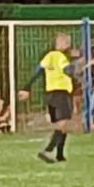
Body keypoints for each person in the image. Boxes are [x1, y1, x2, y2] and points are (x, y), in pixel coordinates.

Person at [36, 33, 75, 163]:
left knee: (62, 125)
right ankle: (47, 151)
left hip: (50, 93)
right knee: (62, 123)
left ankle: (59, 155)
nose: (68, 45)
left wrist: (27, 87)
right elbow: (68, 71)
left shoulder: (49, 56)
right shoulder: (61, 57)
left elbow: (38, 70)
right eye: (67, 42)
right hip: (61, 92)